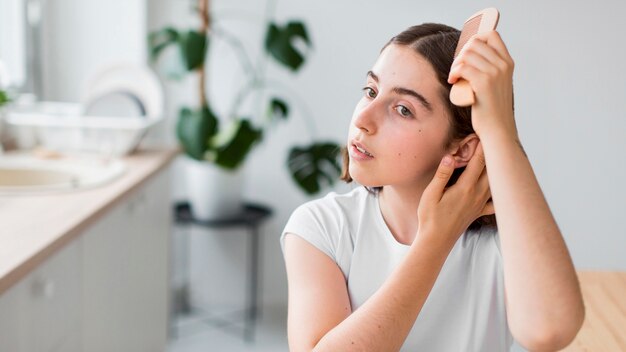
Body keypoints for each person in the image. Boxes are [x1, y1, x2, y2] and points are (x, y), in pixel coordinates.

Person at [280, 23, 584, 351]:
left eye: (403, 109)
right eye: (371, 91)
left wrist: (500, 130)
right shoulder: (322, 228)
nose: (363, 119)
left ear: (461, 149)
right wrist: (435, 241)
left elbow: (549, 330)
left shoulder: (502, 244)